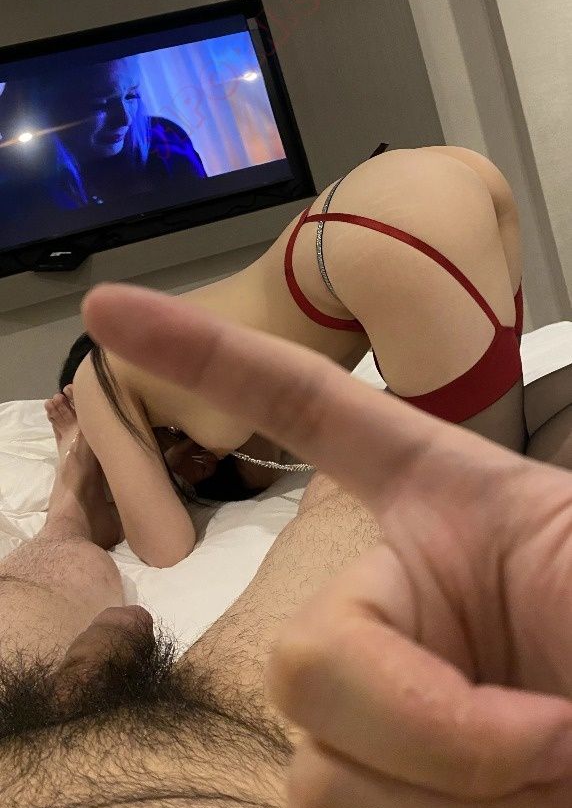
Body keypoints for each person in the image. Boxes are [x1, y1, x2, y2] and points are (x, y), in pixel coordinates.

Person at [1, 279, 572, 808]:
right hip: (228, 746)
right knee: (377, 478)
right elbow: (152, 572)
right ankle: (70, 503)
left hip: (177, 751)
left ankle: (67, 509)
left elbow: (133, 605)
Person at [47, 144, 531, 568]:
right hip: (426, 185)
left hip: (366, 237)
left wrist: (76, 458)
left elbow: (164, 547)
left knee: (492, 508)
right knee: (517, 460)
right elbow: (265, 463)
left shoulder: (97, 375)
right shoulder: (182, 359)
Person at [0, 57, 207, 249]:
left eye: (131, 95)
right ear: (42, 110)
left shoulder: (165, 139)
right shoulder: (13, 184)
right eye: (99, 104)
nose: (125, 119)